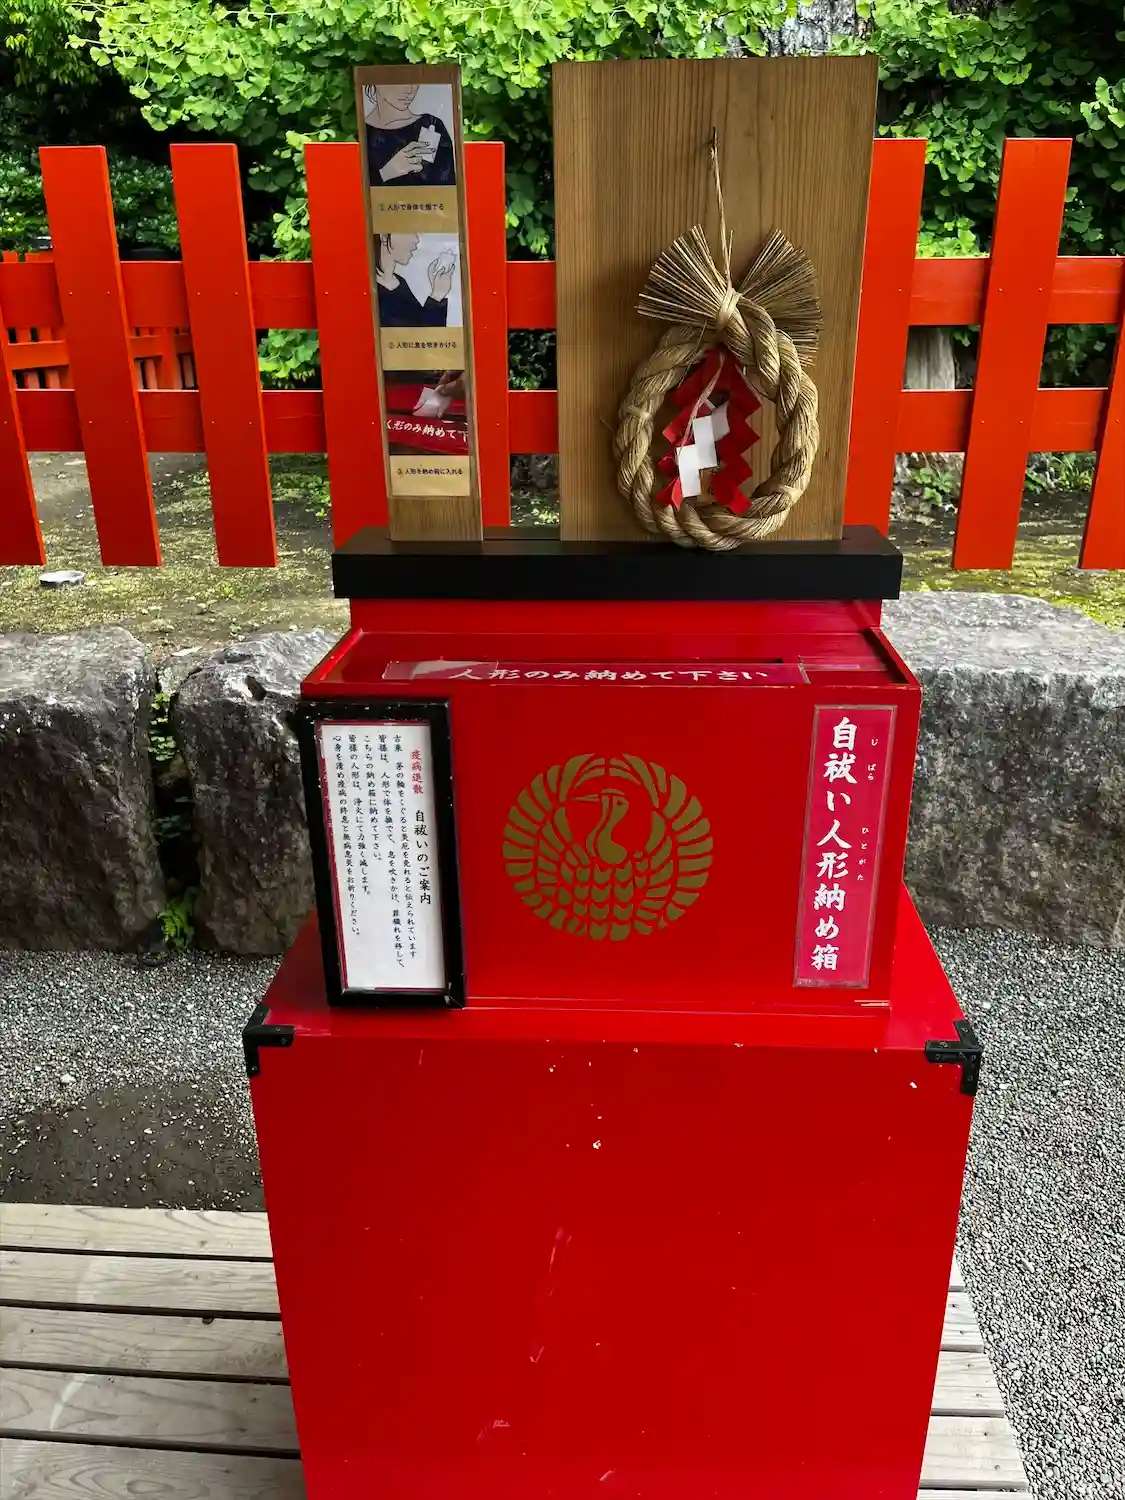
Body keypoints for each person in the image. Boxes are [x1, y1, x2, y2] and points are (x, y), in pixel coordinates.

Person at [364, 83, 456, 186]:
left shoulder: (431, 125)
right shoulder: (363, 132)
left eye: (414, 81)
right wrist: (386, 173)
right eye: (400, 82)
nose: (409, 90)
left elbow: (448, 187)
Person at [375, 234, 456, 327]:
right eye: (406, 233)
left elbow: (419, 324)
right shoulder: (374, 293)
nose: (416, 240)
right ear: (384, 237)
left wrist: (437, 293)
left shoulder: (400, 282)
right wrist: (437, 295)